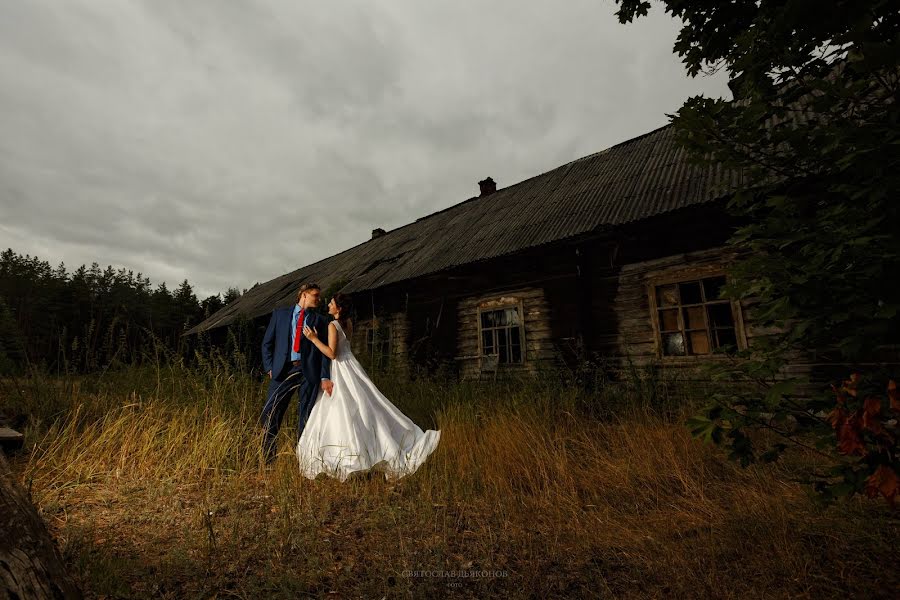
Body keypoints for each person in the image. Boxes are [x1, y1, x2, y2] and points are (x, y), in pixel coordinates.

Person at [297, 293, 441, 481]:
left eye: (332, 303)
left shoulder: (333, 325)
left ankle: (354, 454)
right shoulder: (348, 323)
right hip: (352, 365)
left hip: (340, 367)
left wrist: (314, 339)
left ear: (338, 309)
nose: (329, 305)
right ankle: (372, 444)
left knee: (344, 408)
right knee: (365, 403)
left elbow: (332, 354)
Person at [259, 282, 333, 464]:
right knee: (271, 412)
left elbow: (325, 354)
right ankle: (268, 460)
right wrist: (269, 367)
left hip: (308, 372)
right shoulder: (280, 315)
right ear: (304, 295)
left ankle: (304, 461)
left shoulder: (321, 320)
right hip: (283, 371)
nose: (319, 298)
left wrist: (324, 376)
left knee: (306, 416)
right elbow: (266, 343)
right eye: (315, 295)